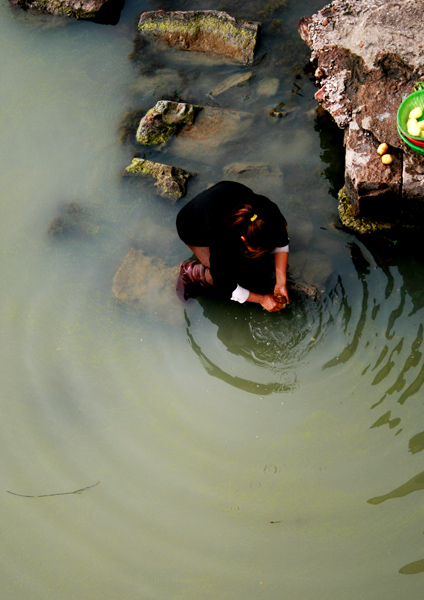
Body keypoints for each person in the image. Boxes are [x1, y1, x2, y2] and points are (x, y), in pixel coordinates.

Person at [176, 181, 289, 312]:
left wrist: (281, 282)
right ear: (243, 239)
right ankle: (190, 272)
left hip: (222, 199)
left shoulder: (269, 213)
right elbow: (225, 285)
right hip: (191, 227)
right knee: (233, 274)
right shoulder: (221, 237)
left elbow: (281, 241)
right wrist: (262, 299)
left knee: (254, 263)